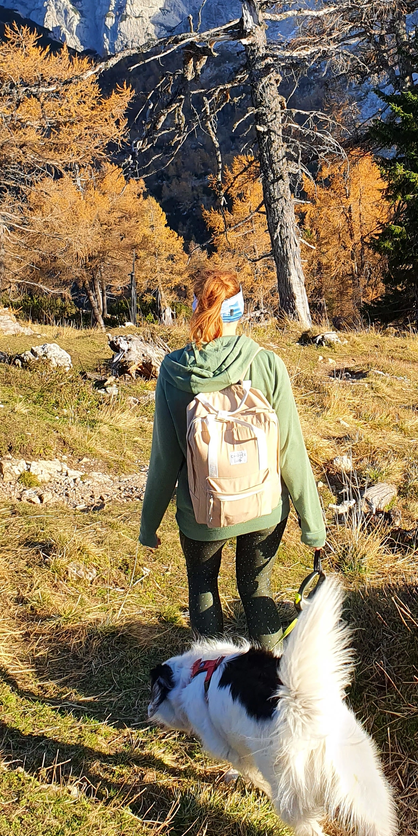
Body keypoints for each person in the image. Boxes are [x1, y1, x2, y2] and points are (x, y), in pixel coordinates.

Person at [139, 267, 326, 647]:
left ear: (196, 310)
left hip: (203, 513)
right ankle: (270, 682)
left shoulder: (174, 371)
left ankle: (209, 678)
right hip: (263, 506)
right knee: (257, 589)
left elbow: (165, 459)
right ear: (240, 313)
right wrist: (313, 525)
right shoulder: (267, 363)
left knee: (204, 585)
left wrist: (149, 525)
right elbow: (290, 449)